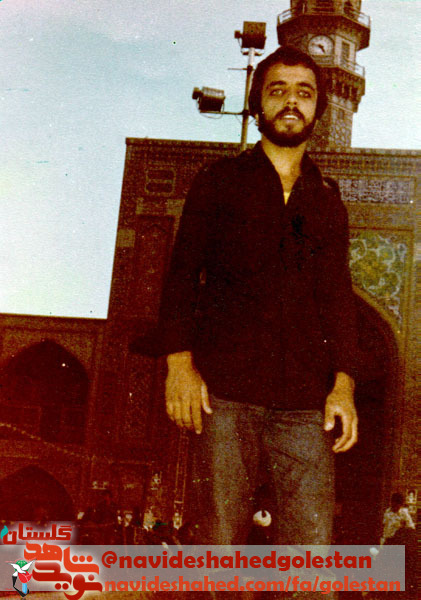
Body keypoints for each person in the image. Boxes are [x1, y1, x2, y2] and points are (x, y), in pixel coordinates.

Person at [132, 46, 358, 554]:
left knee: (311, 552)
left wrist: (343, 385)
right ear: (258, 105)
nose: (292, 102)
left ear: (319, 108)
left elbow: (337, 299)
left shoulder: (327, 200)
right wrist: (179, 364)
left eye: (305, 93)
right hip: (227, 393)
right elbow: (182, 275)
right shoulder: (219, 182)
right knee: (217, 541)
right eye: (278, 90)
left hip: (305, 401)